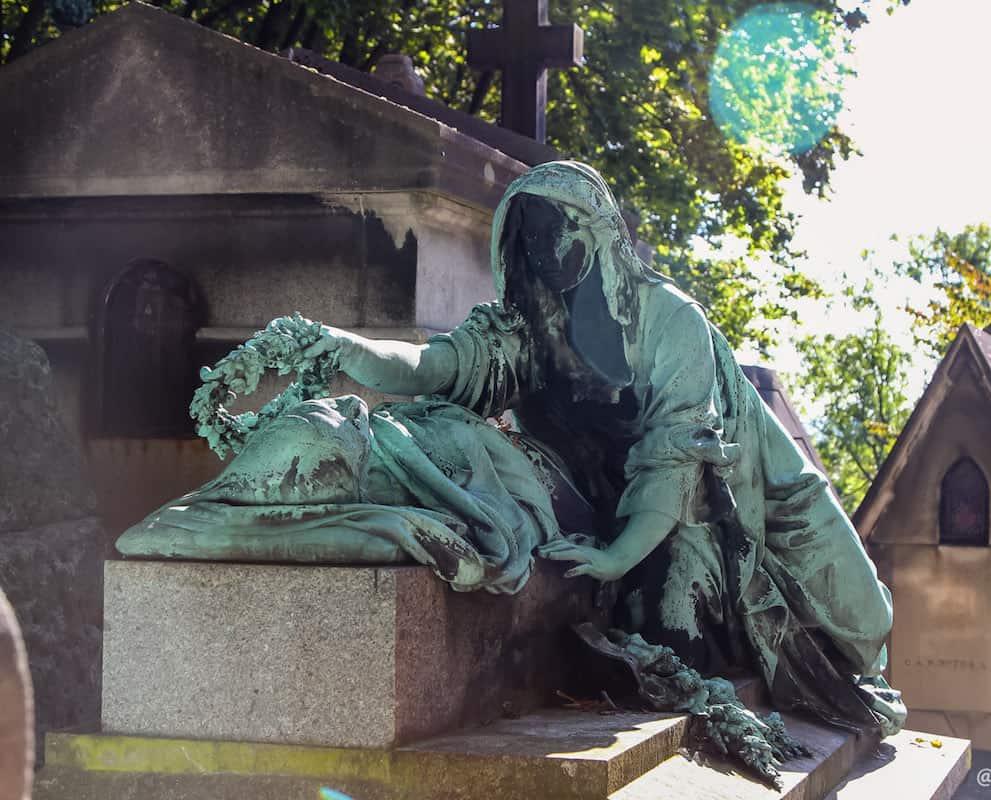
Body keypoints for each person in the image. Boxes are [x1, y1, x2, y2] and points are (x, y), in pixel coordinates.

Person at [118, 160, 904, 733]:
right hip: (628, 508)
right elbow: (437, 368)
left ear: (597, 235)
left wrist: (620, 550)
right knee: (673, 618)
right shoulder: (525, 328)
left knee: (861, 621)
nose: (539, 253)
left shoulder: (668, 322)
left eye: (556, 234)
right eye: (525, 238)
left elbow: (674, 452)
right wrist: (345, 348)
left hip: (733, 493)